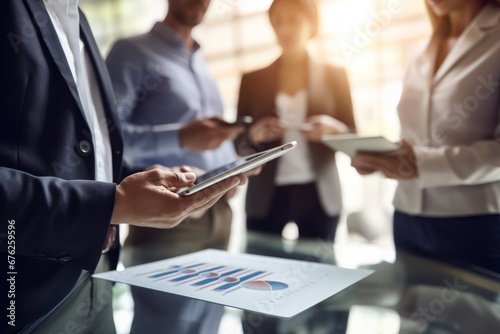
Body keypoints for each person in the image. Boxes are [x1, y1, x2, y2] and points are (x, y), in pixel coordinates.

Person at [0, 1, 246, 333]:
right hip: (27, 292)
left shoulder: (77, 18)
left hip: (101, 268)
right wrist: (111, 203)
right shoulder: (129, 51)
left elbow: (96, 147)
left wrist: (209, 173)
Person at [105, 0, 243, 332]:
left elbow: (210, 142)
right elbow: (109, 135)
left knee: (207, 322)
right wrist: (180, 137)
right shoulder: (130, 52)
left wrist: (235, 165)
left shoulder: (201, 62)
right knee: (165, 325)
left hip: (219, 214)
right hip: (166, 220)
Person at [351, 0, 500, 273]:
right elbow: (414, 134)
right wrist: (383, 160)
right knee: (412, 314)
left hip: (472, 222)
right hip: (407, 218)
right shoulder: (421, 49)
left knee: (476, 315)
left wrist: (420, 163)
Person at [235, 0, 356, 241]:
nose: (284, 29)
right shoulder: (252, 80)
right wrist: (253, 135)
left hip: (319, 195)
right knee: (262, 271)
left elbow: (354, 136)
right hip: (266, 196)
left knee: (320, 272)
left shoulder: (335, 76)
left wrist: (335, 130)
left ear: (311, 23)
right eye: (278, 21)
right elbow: (239, 147)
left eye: (293, 20)